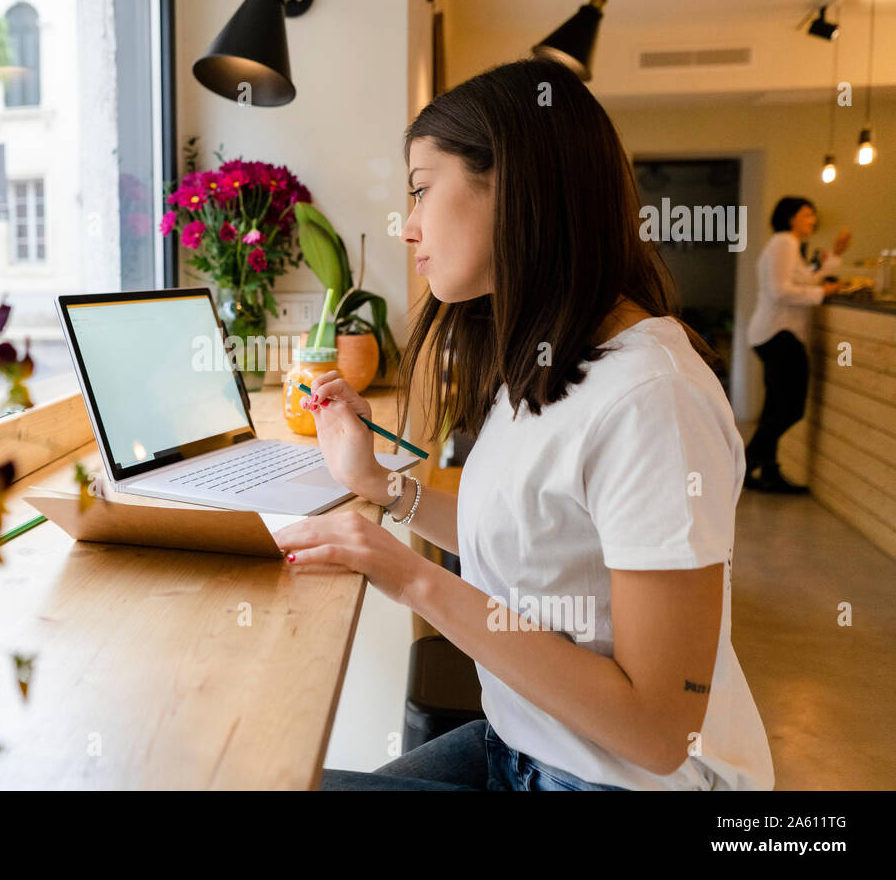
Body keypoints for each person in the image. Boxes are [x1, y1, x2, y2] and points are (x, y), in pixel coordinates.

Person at [273, 58, 774, 791]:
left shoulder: (650, 401)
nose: (408, 228)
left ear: (516, 187)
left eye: (420, 189)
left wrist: (412, 579)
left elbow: (662, 730)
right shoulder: (550, 359)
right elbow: (534, 537)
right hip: (524, 743)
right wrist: (379, 485)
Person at [744, 198, 851, 493]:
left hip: (775, 334)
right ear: (790, 218)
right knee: (790, 409)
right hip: (780, 334)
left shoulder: (788, 245)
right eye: (806, 215)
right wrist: (822, 292)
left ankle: (768, 472)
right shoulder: (784, 244)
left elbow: (805, 280)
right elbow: (781, 291)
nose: (812, 220)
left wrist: (835, 258)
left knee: (776, 407)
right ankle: (744, 463)